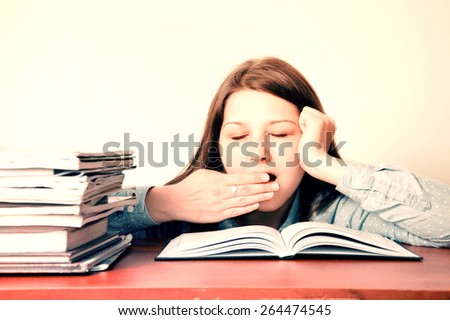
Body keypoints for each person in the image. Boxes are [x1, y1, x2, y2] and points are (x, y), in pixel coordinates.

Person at [109, 57, 450, 248]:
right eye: (239, 136)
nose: (260, 152)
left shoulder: (341, 214)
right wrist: (162, 203)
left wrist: (328, 167)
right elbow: (62, 233)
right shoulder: (181, 213)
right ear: (217, 148)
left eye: (282, 134)